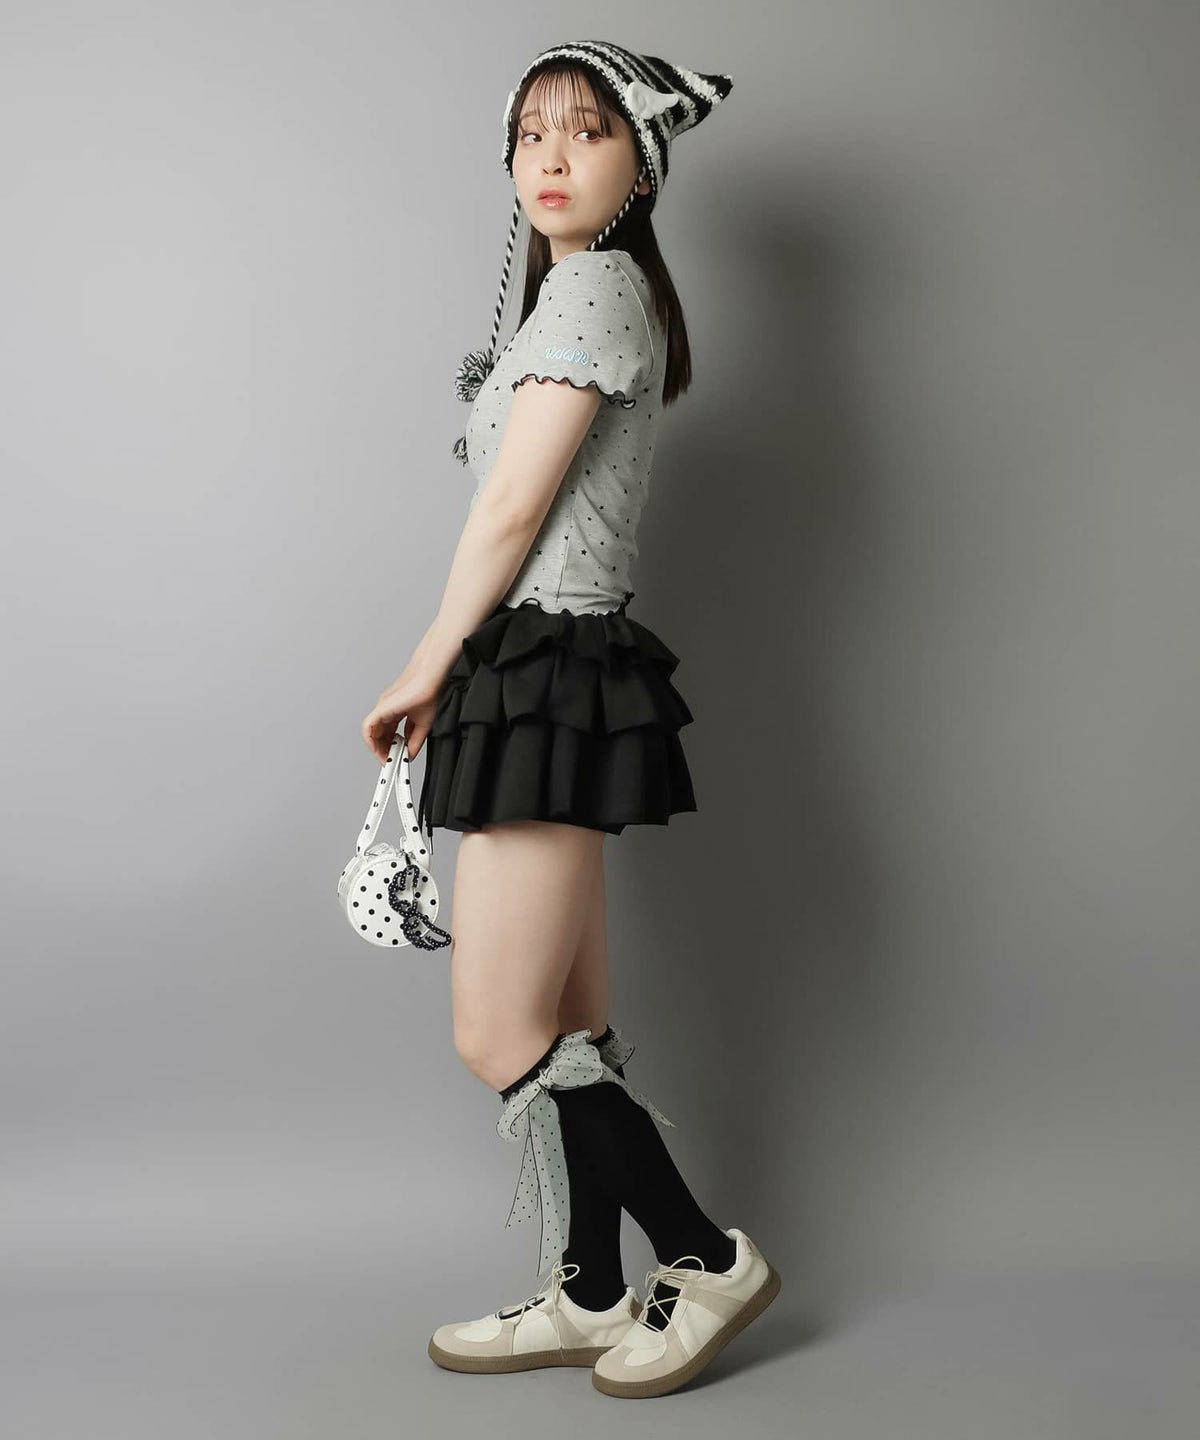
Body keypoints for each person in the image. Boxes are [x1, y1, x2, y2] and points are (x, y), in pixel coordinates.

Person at [359, 39, 780, 1399]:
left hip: (540, 664)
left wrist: (426, 662)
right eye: (531, 133)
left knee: (501, 1033)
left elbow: (512, 507)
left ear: (638, 167)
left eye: (587, 132)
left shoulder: (595, 286)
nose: (550, 157)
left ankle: (706, 1258)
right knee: (569, 1017)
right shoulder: (582, 290)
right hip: (549, 666)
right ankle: (591, 1289)